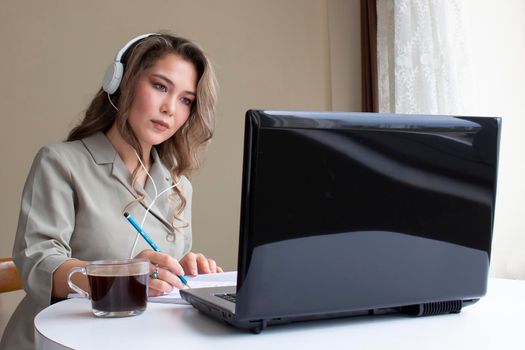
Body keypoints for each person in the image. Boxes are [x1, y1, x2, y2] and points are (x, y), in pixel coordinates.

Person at [0, 33, 222, 350]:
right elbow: (38, 262)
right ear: (122, 82)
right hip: (58, 340)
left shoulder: (177, 186)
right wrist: (122, 277)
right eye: (160, 86)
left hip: (137, 340)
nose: (170, 108)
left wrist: (181, 267)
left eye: (186, 100)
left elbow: (158, 277)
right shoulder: (61, 163)